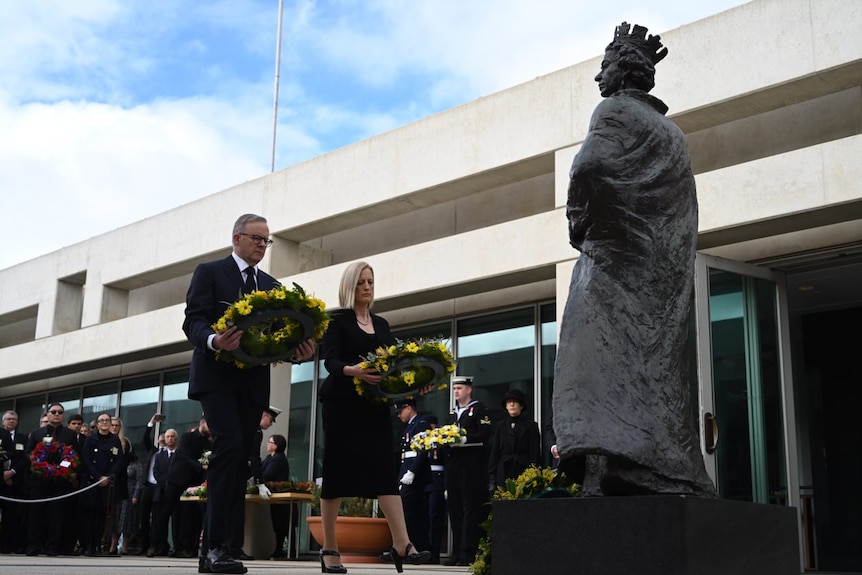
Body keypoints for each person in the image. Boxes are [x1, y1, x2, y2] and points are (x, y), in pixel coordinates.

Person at [551, 21, 714, 496]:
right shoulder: (672, 134)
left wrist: (580, 222)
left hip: (612, 267)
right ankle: (654, 467)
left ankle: (603, 471)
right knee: (652, 371)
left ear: (621, 71)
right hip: (657, 276)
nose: (598, 76)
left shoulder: (614, 111)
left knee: (593, 363)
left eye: (603, 65)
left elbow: (589, 166)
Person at [183, 213, 315, 575]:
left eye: (266, 241)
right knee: (227, 448)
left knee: (241, 457)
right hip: (217, 377)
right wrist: (213, 340)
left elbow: (277, 336)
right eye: (257, 238)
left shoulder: (272, 285)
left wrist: (296, 350)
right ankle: (214, 546)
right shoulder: (209, 272)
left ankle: (223, 547)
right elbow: (192, 319)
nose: (262, 245)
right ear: (237, 238)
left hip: (253, 383)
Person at [318, 261, 431, 573]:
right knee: (337, 473)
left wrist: (418, 382)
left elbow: (393, 367)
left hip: (374, 405)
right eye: (360, 282)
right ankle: (330, 548)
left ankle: (402, 544)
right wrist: (352, 371)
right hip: (342, 404)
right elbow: (330, 361)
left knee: (384, 469)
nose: (367, 287)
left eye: (370, 281)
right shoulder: (336, 321)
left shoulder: (382, 325)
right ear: (350, 286)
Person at [444, 376, 491, 567]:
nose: (456, 391)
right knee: (454, 509)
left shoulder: (478, 409)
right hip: (454, 465)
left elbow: (485, 434)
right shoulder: (452, 413)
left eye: (460, 388)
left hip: (471, 466)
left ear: (469, 390)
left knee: (470, 509)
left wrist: (465, 439)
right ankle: (455, 552)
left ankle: (468, 553)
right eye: (454, 388)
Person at [21, 403, 79, 557]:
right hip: (39, 480)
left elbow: (74, 455)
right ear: (48, 414)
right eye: (53, 412)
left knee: (56, 516)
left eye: (60, 412)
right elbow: (27, 453)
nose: (57, 414)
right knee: (35, 515)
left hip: (59, 481)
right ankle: (34, 546)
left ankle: (52, 547)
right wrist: (38, 463)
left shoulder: (70, 435)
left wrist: (64, 467)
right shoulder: (36, 433)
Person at [148, 421, 208, 559]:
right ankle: (154, 544)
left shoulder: (208, 441)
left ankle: (183, 548)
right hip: (177, 479)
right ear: (202, 423)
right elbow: (186, 457)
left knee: (186, 516)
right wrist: (202, 467)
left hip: (192, 482)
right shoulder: (187, 437)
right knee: (164, 513)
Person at [79, 413, 124, 556]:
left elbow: (119, 460)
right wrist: (98, 477)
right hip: (92, 482)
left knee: (103, 516)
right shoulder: (91, 440)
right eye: (101, 421)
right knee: (89, 516)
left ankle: (98, 544)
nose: (104, 423)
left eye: (107, 420)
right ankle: (88, 545)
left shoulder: (115, 440)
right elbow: (85, 460)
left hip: (107, 484)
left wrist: (109, 476)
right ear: (97, 424)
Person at [394, 399, 433, 557]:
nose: (398, 415)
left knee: (408, 511)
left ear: (409, 408)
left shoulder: (421, 423)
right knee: (410, 512)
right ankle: (411, 547)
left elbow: (422, 450)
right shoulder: (411, 425)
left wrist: (412, 472)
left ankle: (413, 547)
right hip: (408, 473)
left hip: (415, 476)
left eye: (400, 411)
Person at [488, 389, 540, 491]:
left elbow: (535, 452)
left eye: (515, 402)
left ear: (521, 405)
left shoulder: (531, 426)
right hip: (504, 470)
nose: (512, 404)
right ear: (506, 406)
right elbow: (495, 451)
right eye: (509, 402)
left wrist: (533, 473)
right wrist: (492, 475)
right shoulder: (501, 426)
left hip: (523, 470)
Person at [137, 415, 166, 555]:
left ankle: (156, 545)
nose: (162, 436)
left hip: (159, 488)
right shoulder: (153, 451)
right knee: (143, 516)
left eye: (165, 435)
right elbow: (144, 439)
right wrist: (151, 423)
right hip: (147, 487)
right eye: (161, 435)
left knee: (157, 518)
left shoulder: (168, 454)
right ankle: (143, 544)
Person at [261, 433, 292, 559]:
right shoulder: (269, 458)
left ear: (277, 445)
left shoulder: (279, 459)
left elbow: (267, 474)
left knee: (280, 523)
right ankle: (278, 549)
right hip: (274, 496)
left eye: (271, 442)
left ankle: (280, 549)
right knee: (276, 522)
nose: (268, 444)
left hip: (280, 496)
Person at [0, 410, 27, 554]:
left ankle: (7, 545)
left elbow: (25, 458)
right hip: (0, 479)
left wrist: (12, 472)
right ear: (3, 421)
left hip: (14, 481)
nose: (11, 421)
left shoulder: (23, 438)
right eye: (8, 419)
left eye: (14, 419)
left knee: (10, 515)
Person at [109, 416, 135, 554]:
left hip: (121, 483)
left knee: (122, 517)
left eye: (116, 425)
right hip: (106, 482)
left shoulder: (126, 443)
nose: (114, 427)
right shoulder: (102, 441)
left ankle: (122, 547)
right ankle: (109, 545)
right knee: (110, 516)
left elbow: (125, 461)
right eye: (112, 425)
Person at [423, 416, 446, 565]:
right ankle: (424, 550)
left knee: (435, 518)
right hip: (424, 483)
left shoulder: (441, 441)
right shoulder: (423, 441)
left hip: (437, 482)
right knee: (424, 519)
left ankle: (434, 552)